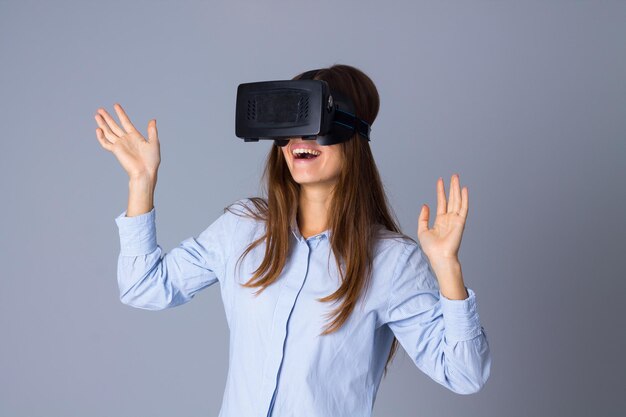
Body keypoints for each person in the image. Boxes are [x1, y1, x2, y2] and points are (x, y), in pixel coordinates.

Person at [94, 64, 491, 417]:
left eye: (317, 121)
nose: (302, 137)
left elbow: (464, 374)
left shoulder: (391, 261)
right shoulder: (241, 228)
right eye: (292, 122)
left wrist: (447, 270)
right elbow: (142, 287)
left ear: (353, 134)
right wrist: (141, 183)